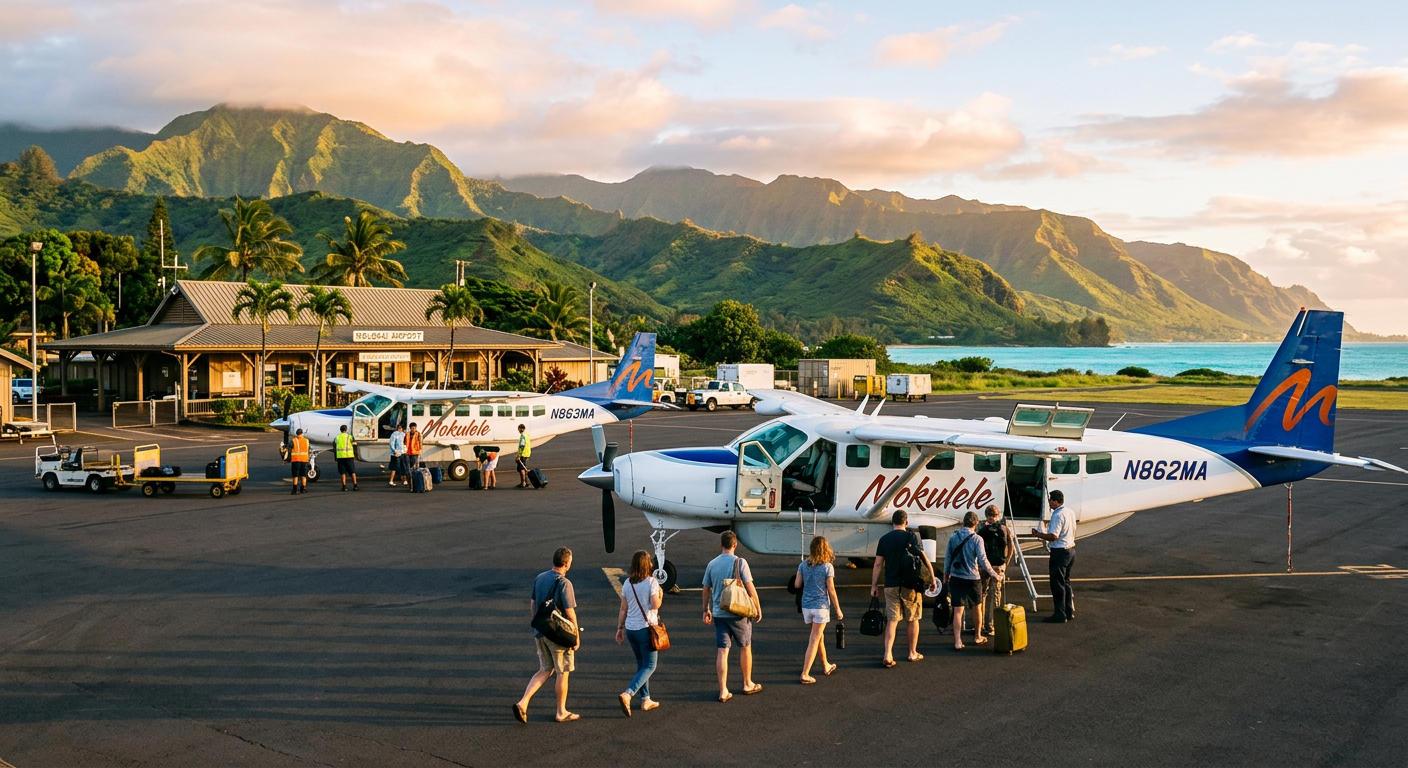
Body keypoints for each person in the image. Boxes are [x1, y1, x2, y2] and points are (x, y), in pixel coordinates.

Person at [514, 547, 580, 723]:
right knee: (563, 671)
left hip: (541, 631)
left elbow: (533, 604)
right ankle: (561, 711)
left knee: (545, 669)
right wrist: (576, 637)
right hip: (558, 635)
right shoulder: (565, 583)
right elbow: (570, 613)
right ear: (566, 563)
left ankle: (523, 702)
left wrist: (537, 626)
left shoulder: (540, 578)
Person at [700, 531, 762, 702]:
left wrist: (706, 610)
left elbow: (706, 589)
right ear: (735, 544)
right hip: (738, 613)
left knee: (722, 651)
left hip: (720, 613)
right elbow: (750, 588)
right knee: (745, 647)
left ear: (721, 545)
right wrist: (757, 607)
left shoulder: (712, 564)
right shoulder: (740, 563)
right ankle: (747, 683)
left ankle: (723, 690)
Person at [870, 509, 936, 667]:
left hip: (890, 584)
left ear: (893, 523)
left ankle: (887, 654)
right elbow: (924, 559)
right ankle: (912, 652)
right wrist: (932, 578)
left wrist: (874, 585)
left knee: (892, 620)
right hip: (910, 585)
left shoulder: (884, 539)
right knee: (913, 619)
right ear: (906, 522)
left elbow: (878, 564)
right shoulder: (912, 537)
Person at [944, 511, 1003, 650]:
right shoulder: (977, 539)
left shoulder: (953, 537)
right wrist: (994, 574)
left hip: (956, 576)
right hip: (972, 578)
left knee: (958, 610)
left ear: (964, 522)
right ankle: (977, 636)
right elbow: (983, 560)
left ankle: (958, 641)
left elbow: (948, 557)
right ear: (976, 524)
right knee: (977, 608)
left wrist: (946, 575)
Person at [615, 550, 663, 716]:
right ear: (647, 564)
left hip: (631, 629)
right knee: (650, 665)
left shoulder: (628, 583)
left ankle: (646, 699)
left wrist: (620, 628)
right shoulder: (651, 582)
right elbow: (655, 605)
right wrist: (661, 595)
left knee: (641, 664)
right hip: (646, 629)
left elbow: (623, 608)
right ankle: (628, 693)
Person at [792, 535, 843, 684]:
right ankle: (805, 673)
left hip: (806, 606)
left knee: (818, 636)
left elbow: (796, 584)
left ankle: (826, 665)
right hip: (821, 606)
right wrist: (838, 609)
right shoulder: (827, 567)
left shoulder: (803, 565)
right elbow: (831, 590)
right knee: (814, 639)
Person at [1032, 489, 1076, 623]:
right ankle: (1069, 611)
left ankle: (1060, 613)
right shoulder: (1070, 512)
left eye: (1050, 500)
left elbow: (1054, 536)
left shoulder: (1057, 515)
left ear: (1056, 501)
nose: (1049, 502)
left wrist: (1039, 535)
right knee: (1066, 582)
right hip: (1071, 550)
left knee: (1057, 583)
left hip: (1060, 552)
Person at [976, 505, 1015, 637]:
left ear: (986, 515)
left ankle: (979, 624)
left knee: (982, 594)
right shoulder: (1004, 529)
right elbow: (1011, 547)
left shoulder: (981, 529)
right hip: (998, 566)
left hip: (983, 565)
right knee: (995, 595)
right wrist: (1006, 563)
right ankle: (991, 625)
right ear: (997, 516)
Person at [335, 424, 359, 492]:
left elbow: (334, 446)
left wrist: (336, 457)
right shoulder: (349, 437)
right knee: (352, 472)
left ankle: (344, 487)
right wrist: (355, 455)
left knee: (342, 473)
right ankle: (355, 485)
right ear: (346, 430)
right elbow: (355, 444)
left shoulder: (337, 437)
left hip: (340, 457)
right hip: (349, 456)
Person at [289, 428, 310, 495]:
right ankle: (303, 488)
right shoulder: (306, 441)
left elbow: (289, 448)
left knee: (295, 475)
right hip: (304, 460)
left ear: (296, 434)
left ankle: (294, 490)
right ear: (302, 434)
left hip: (295, 460)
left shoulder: (293, 440)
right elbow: (308, 448)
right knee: (303, 475)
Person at [405, 422, 423, 492]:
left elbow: (421, 443)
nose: (413, 429)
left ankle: (413, 480)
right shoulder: (407, 434)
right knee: (408, 467)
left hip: (415, 452)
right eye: (412, 428)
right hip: (408, 452)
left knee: (413, 465)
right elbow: (405, 442)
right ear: (410, 428)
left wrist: (420, 451)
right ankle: (410, 481)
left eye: (414, 428)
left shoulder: (418, 434)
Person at [516, 424, 533, 488]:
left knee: (522, 469)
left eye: (518, 429)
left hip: (523, 454)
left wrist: (518, 455)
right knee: (524, 467)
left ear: (520, 429)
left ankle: (523, 483)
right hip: (527, 453)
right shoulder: (527, 435)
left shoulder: (522, 436)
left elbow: (522, 446)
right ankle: (525, 482)